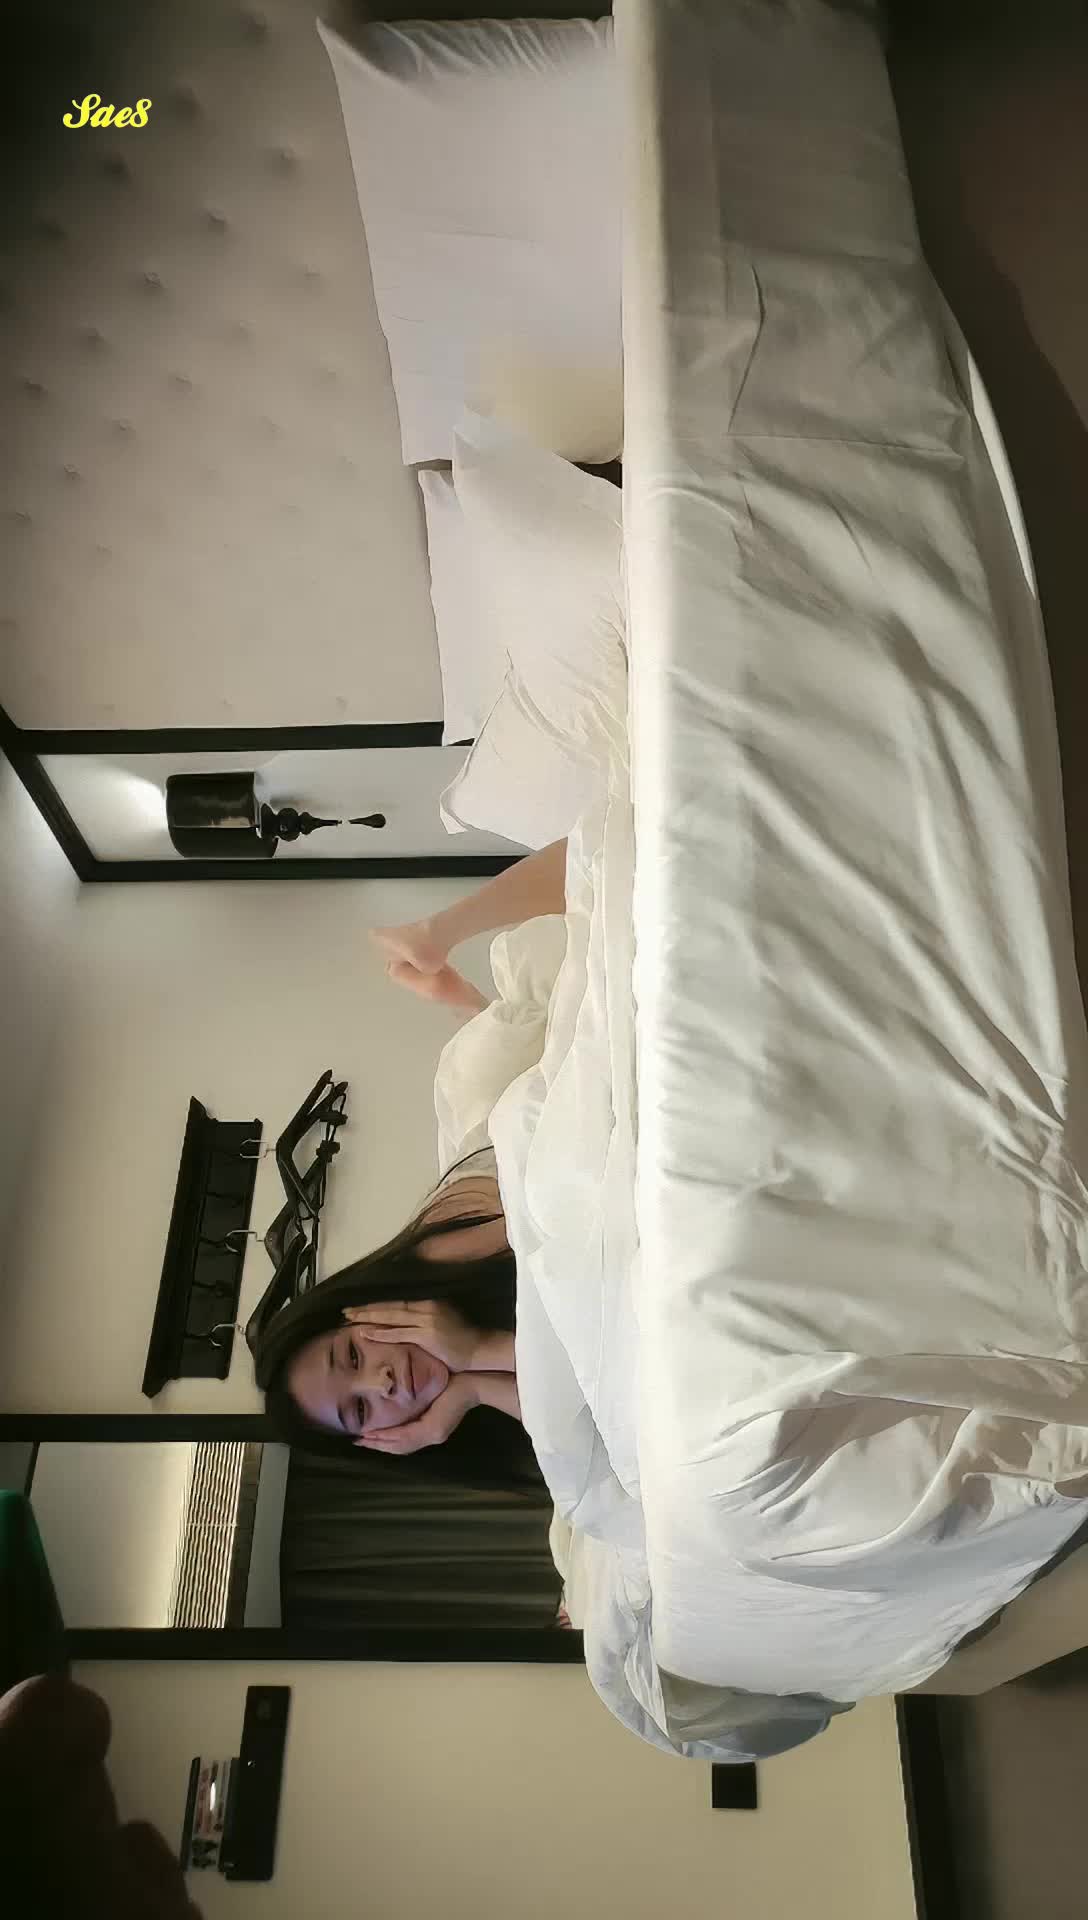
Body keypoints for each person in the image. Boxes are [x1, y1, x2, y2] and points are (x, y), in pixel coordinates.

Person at [255, 840, 569, 1492]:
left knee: (541, 973)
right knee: (491, 1048)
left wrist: (480, 1356)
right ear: (378, 1440)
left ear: (359, 1313)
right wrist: (472, 1388)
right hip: (487, 1136)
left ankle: (440, 936)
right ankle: (452, 982)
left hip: (506, 1143)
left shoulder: (441, 1257)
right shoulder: (463, 1403)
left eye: (352, 1355)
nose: (384, 1382)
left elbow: (595, 1285)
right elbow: (590, 1432)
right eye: (360, 1410)